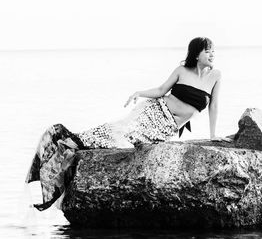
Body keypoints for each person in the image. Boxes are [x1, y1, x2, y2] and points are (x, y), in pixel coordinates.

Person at [25, 37, 231, 211]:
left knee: (123, 142)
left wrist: (213, 136)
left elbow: (214, 107)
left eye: (213, 51)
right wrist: (138, 93)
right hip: (153, 113)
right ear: (197, 54)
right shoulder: (181, 70)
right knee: (113, 135)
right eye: (208, 51)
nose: (212, 55)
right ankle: (63, 142)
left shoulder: (216, 76)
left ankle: (68, 147)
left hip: (166, 128)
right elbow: (161, 90)